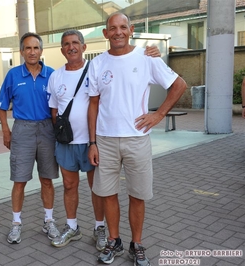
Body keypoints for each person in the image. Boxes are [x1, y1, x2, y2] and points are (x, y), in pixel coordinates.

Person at [88, 13, 187, 265]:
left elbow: (179, 85)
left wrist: (159, 114)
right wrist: (92, 142)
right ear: (105, 33)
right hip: (106, 140)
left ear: (131, 30)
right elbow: (94, 105)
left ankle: (137, 244)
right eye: (113, 28)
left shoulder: (146, 57)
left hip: (137, 139)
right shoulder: (97, 63)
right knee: (108, 194)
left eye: (123, 27)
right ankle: (114, 241)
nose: (118, 32)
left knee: (137, 195)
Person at [48, 30, 161, 251]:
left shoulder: (97, 67)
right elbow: (54, 110)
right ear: (61, 49)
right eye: (66, 44)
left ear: (83, 47)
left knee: (98, 188)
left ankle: (100, 228)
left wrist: (152, 53)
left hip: (95, 142)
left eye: (75, 43)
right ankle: (72, 226)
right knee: (69, 186)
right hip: (66, 143)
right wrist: (62, 133)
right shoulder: (56, 76)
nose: (71, 47)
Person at [0, 32, 60, 244]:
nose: (32, 52)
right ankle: (16, 224)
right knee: (19, 180)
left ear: (41, 51)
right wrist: (6, 130)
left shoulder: (52, 74)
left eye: (36, 48)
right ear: (22, 51)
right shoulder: (13, 75)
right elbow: (2, 105)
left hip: (47, 129)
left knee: (47, 179)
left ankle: (49, 221)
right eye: (27, 48)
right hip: (22, 130)